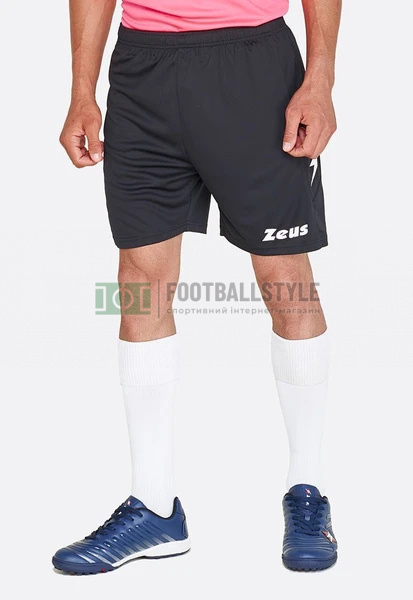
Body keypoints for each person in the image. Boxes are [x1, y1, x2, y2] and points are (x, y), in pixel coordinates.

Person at [53, 0, 341, 574]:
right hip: (142, 72)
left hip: (254, 66)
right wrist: (81, 89)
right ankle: (154, 507)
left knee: (285, 279)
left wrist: (320, 80)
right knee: (139, 279)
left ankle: (307, 490)